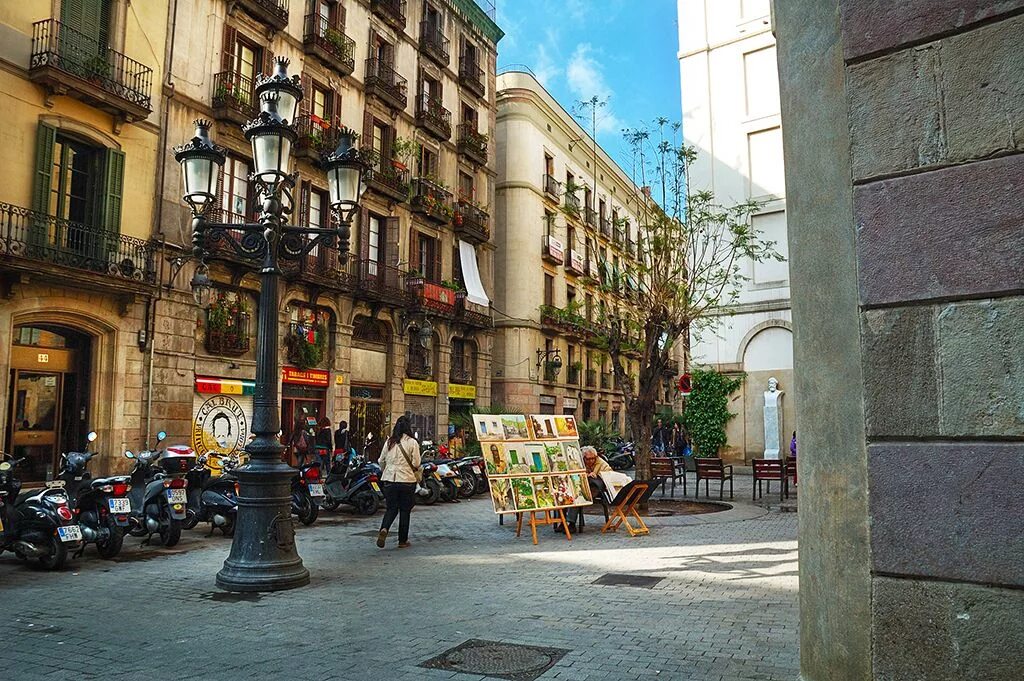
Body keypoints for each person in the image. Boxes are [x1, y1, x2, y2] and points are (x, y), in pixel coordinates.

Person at [376, 415, 420, 549]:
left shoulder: (390, 441)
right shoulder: (412, 442)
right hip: (407, 480)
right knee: (405, 510)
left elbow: (380, 460)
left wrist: (387, 470)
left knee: (391, 508)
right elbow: (416, 463)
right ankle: (402, 541)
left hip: (389, 480)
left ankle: (384, 528)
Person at [561, 446, 615, 533]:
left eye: (593, 458)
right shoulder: (579, 462)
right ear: (583, 458)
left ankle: (571, 523)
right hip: (580, 487)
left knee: (577, 496)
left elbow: (610, 474)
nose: (591, 461)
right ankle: (562, 522)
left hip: (596, 489)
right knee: (564, 494)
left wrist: (598, 474)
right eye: (588, 459)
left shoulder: (601, 463)